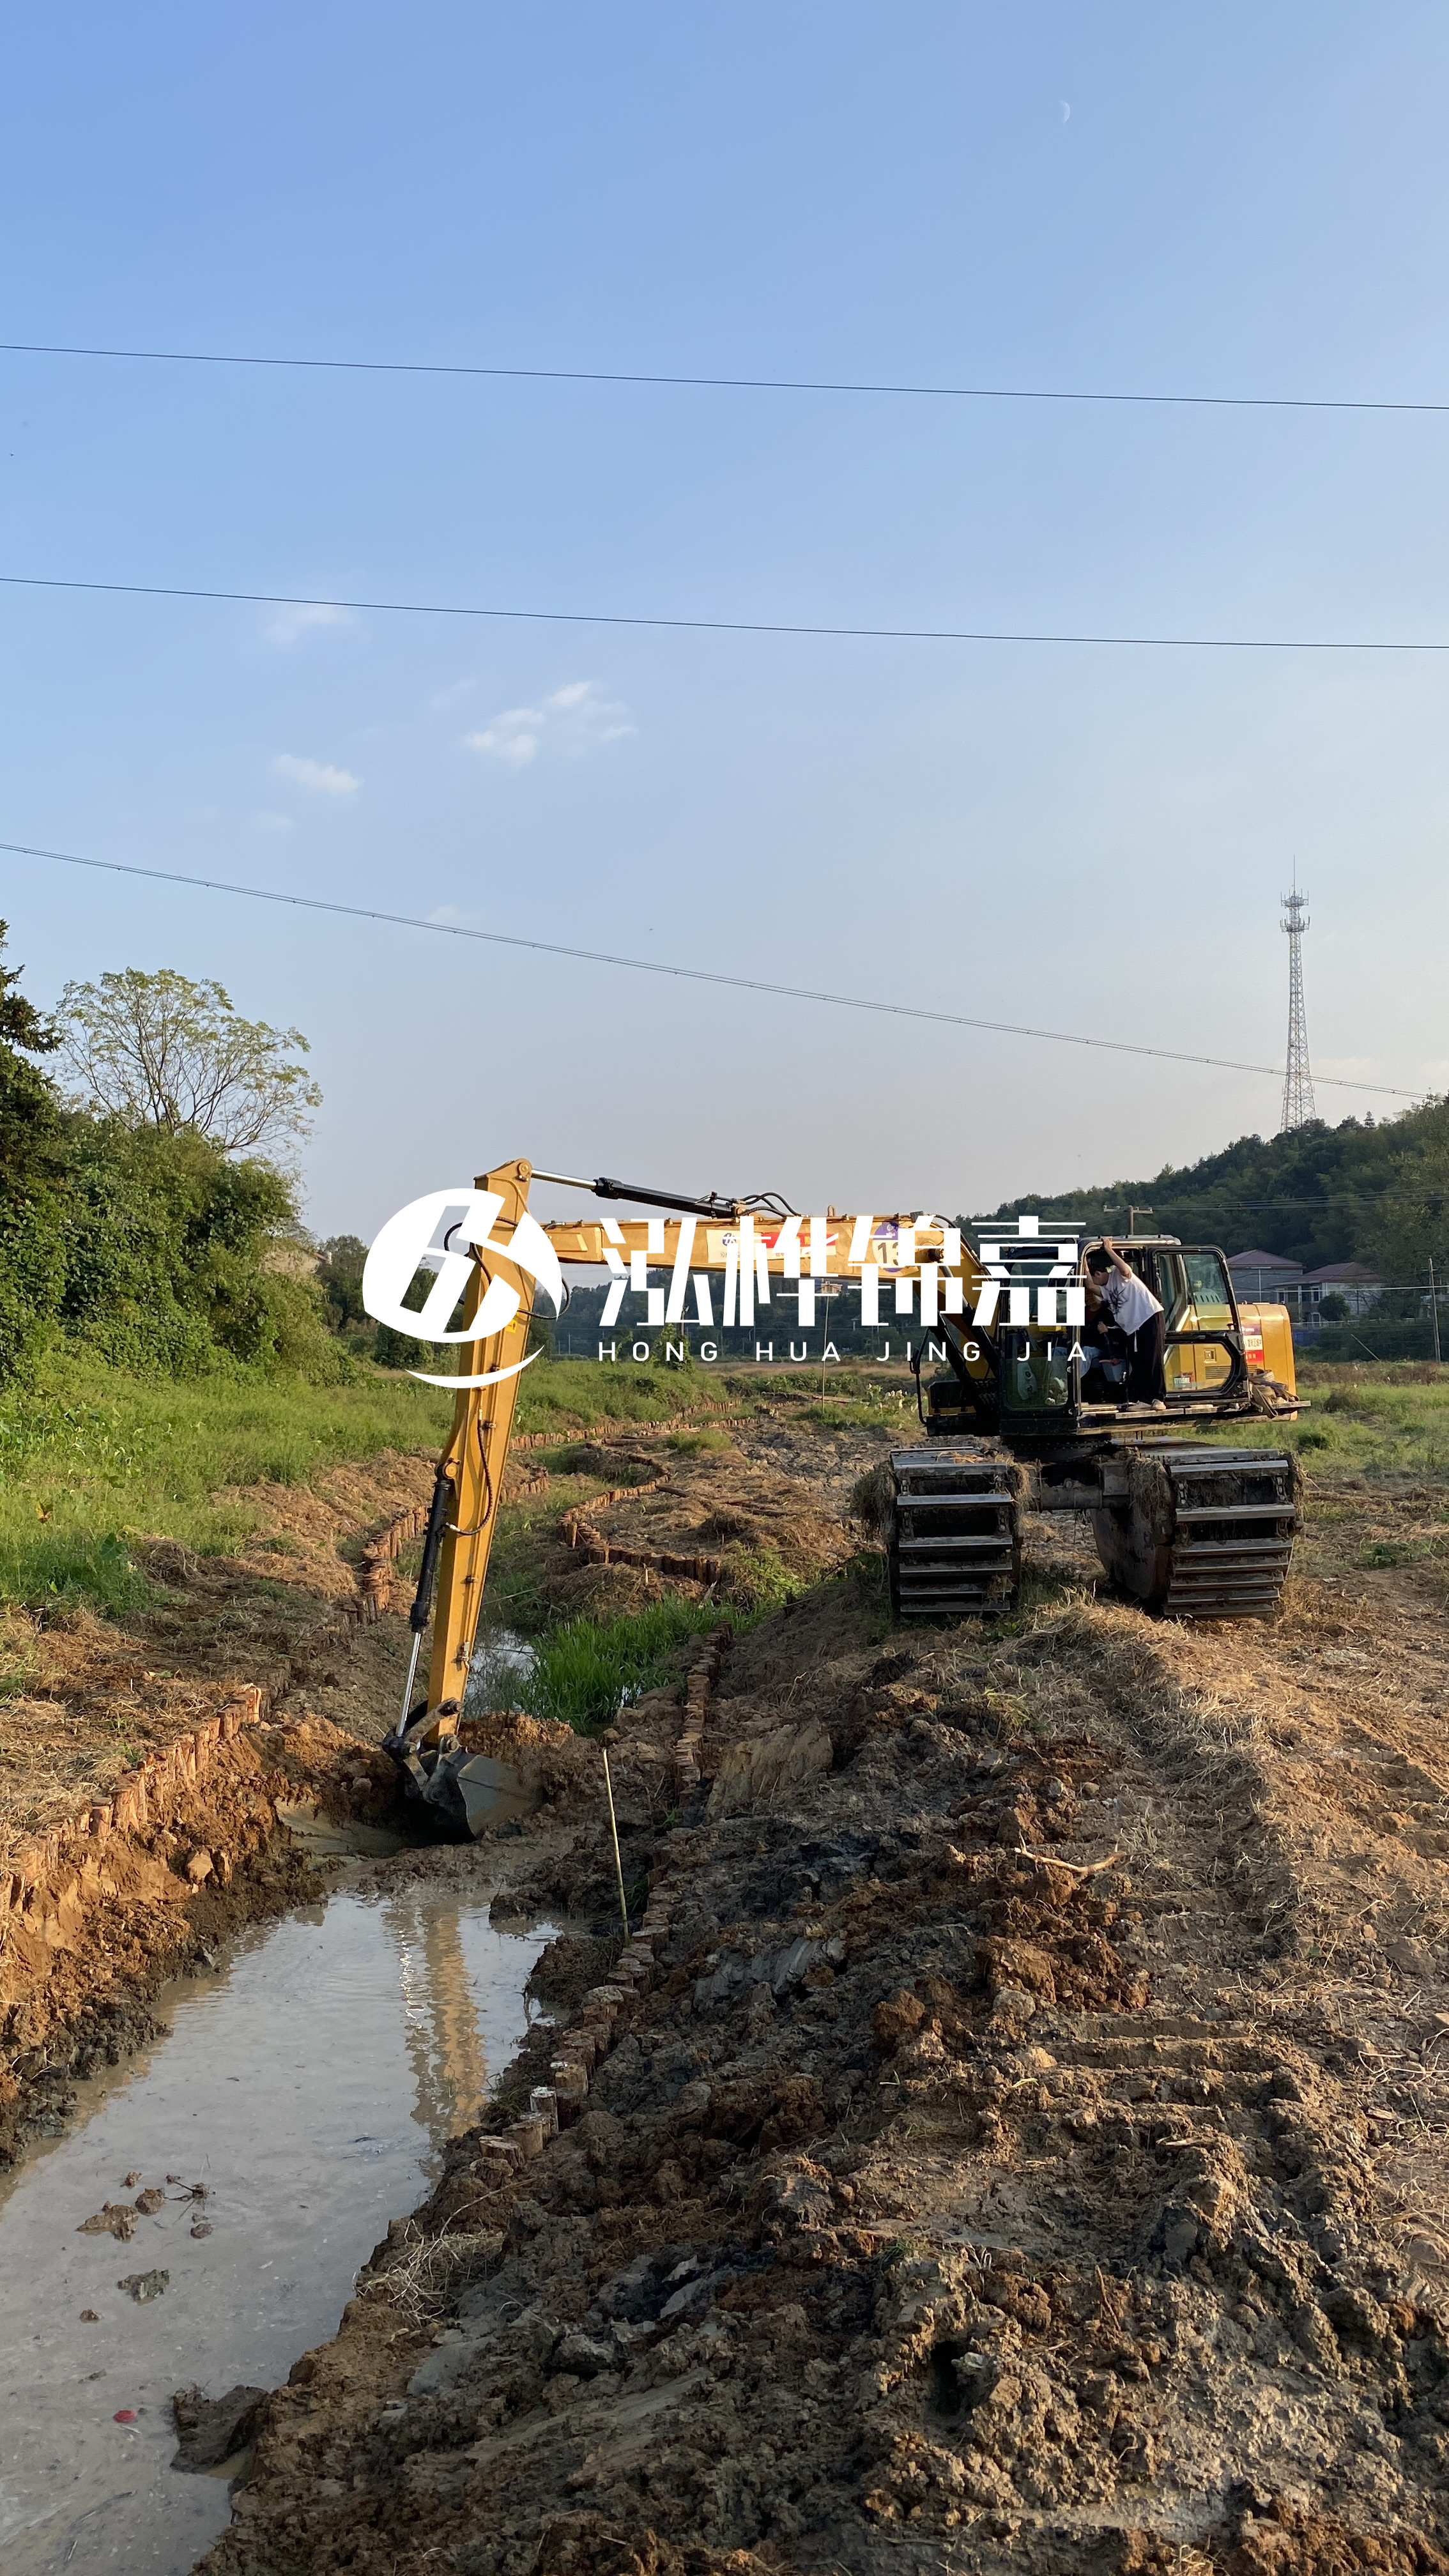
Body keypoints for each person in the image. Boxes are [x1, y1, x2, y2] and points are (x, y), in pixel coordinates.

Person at [1084, 1241, 1167, 1407]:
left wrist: (1109, 1249)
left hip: (1148, 1317)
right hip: (1132, 1327)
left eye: (1094, 1278)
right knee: (1137, 1361)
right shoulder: (1106, 1290)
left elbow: (1125, 1270)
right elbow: (1091, 1287)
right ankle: (1144, 1399)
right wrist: (1083, 1262)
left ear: (1099, 1274)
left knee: (1152, 1359)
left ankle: (1159, 1398)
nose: (1093, 1284)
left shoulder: (1118, 1275)